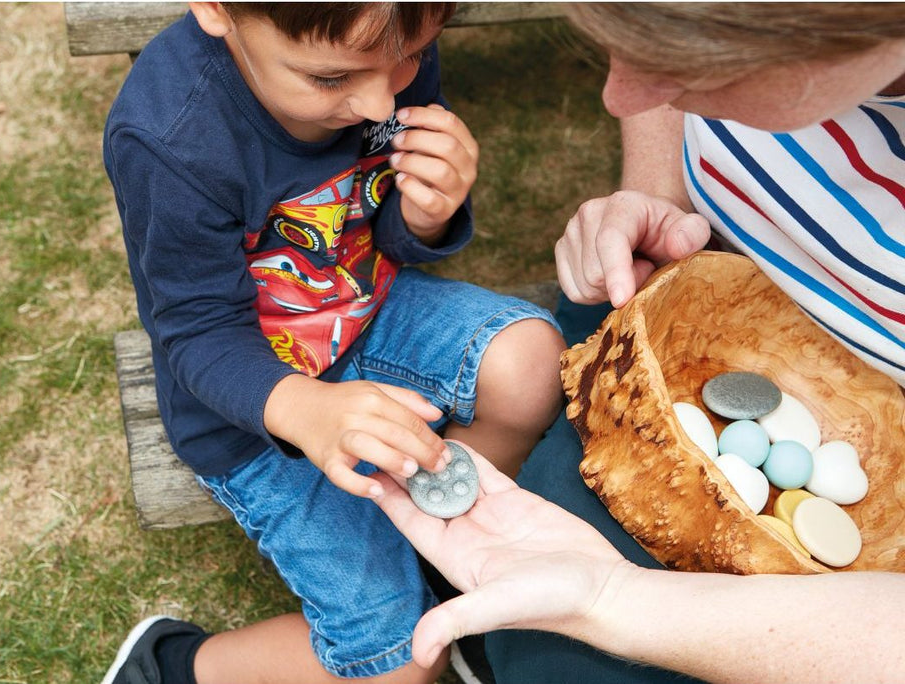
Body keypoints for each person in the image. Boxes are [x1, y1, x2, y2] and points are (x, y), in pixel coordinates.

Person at [374, 3, 905, 683]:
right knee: (531, 633)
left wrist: (617, 599)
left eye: (701, 58)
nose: (615, 94)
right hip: (675, 322)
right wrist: (655, 194)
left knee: (558, 656)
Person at [99, 3, 566, 684]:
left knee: (529, 363)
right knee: (402, 663)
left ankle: (440, 558)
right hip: (252, 405)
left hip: (368, 313)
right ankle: (172, 666)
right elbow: (197, 333)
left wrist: (424, 213)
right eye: (331, 78)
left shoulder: (381, 31)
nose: (382, 99)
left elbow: (381, 230)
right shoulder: (172, 135)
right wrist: (308, 411)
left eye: (409, 58)